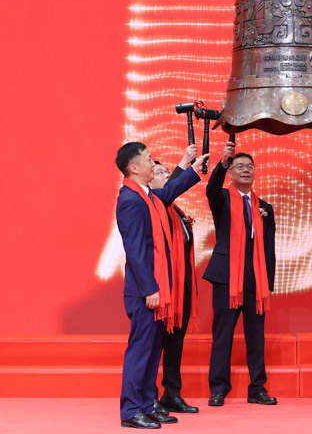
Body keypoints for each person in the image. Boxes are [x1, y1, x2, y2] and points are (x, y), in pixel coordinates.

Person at [115, 142, 208, 429]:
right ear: (134, 167)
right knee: (141, 352)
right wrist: (150, 288)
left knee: (153, 352)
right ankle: (131, 410)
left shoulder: (147, 196)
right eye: (148, 159)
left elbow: (169, 191)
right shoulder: (130, 200)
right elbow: (135, 250)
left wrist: (192, 168)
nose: (153, 163)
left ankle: (147, 405)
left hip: (157, 289)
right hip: (147, 292)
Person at [203, 141, 277, 407]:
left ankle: (257, 388)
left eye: (250, 167)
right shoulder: (222, 198)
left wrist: (267, 282)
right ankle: (218, 388)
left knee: (256, 336)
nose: (246, 170)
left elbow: (269, 247)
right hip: (227, 277)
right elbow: (211, 188)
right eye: (240, 166)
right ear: (231, 173)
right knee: (223, 335)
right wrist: (223, 162)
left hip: (255, 279)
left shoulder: (264, 207)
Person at [148, 159, 200, 415]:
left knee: (175, 342)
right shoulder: (155, 204)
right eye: (160, 172)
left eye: (168, 172)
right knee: (155, 344)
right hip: (164, 288)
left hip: (182, 285)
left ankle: (172, 393)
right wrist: (186, 164)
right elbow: (169, 192)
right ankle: (149, 397)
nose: (166, 175)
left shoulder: (175, 210)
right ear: (148, 181)